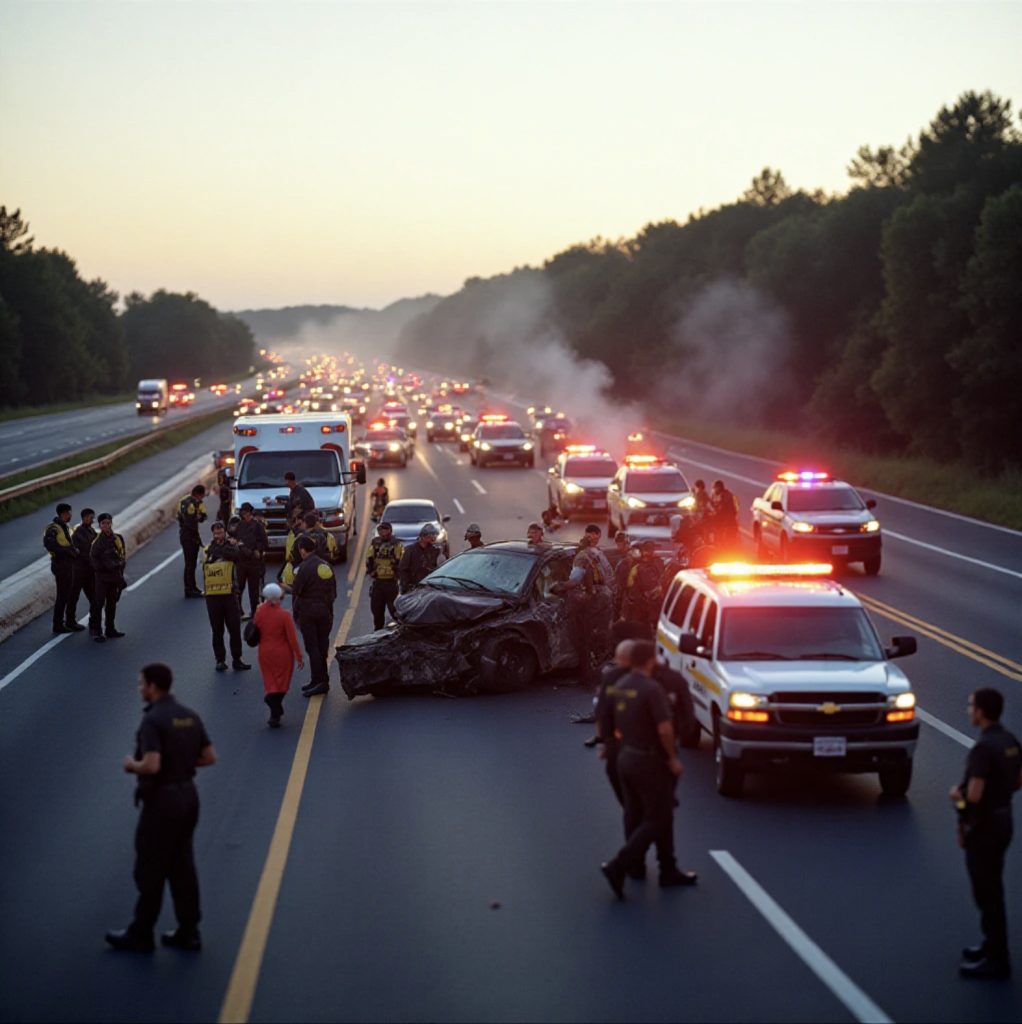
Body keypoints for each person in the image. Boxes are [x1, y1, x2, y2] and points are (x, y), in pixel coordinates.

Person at [105, 662, 216, 953]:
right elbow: (209, 757)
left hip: (162, 803)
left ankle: (141, 933)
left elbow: (152, 764)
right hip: (188, 798)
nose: (140, 688)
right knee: (183, 866)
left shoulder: (153, 720)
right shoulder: (188, 716)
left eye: (142, 683)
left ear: (154, 686)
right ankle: (189, 931)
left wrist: (132, 765)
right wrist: (180, 765)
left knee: (150, 868)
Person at [598, 641, 694, 898]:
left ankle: (652, 868)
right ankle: (621, 865)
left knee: (634, 812)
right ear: (652, 659)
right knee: (660, 816)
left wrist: (608, 744)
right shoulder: (652, 689)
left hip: (625, 757)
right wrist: (673, 758)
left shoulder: (620, 686)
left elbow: (607, 718)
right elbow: (665, 728)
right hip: (650, 761)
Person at [951, 687, 1021, 979]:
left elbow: (975, 796)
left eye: (970, 705)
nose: (969, 710)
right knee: (993, 886)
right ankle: (990, 944)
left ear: (980, 712)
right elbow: (1018, 781)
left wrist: (958, 800)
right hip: (1004, 821)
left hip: (985, 828)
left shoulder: (983, 748)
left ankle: (997, 958)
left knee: (987, 892)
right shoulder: (1009, 741)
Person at [553, 534, 613, 688]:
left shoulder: (581, 557)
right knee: (596, 639)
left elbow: (574, 581)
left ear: (581, 545)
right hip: (604, 597)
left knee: (584, 640)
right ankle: (594, 674)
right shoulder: (595, 556)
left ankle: (587, 679)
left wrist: (557, 587)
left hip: (593, 603)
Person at [251, 583, 303, 728]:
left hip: (265, 652)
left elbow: (255, 627)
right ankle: (275, 705)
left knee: (270, 680)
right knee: (282, 682)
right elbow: (292, 638)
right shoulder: (284, 615)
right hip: (282, 653)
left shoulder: (259, 613)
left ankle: (274, 710)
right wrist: (298, 656)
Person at [292, 535, 337, 697]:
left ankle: (321, 682)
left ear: (302, 550)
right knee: (322, 646)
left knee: (313, 648)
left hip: (308, 613)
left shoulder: (304, 568)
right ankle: (317, 679)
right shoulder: (326, 565)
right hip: (325, 612)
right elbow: (334, 592)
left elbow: (296, 590)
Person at [202, 521, 250, 672]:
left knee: (234, 629)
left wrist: (222, 551)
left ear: (225, 532)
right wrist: (219, 552)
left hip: (230, 595)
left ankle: (237, 659)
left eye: (220, 532)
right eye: (215, 533)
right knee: (217, 631)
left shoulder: (231, 545)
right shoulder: (208, 548)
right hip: (213, 596)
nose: (218, 535)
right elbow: (205, 561)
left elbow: (236, 555)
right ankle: (220, 660)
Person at [43, 502, 79, 634]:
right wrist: (69, 550)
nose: (70, 515)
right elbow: (50, 545)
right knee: (62, 596)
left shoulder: (63, 526)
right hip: (60, 565)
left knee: (68, 594)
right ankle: (58, 625)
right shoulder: (53, 528)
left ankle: (68, 622)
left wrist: (73, 551)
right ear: (63, 513)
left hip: (68, 565)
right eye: (69, 512)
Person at [90, 513, 126, 642]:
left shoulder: (117, 538)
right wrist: (108, 566)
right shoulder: (97, 543)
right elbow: (95, 562)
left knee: (112, 604)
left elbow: (122, 556)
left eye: (108, 523)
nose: (106, 525)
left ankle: (110, 629)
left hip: (114, 577)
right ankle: (96, 631)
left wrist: (120, 573)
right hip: (102, 579)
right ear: (99, 525)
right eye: (103, 523)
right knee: (98, 604)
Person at [234, 502, 269, 620]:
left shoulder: (258, 526)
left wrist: (257, 550)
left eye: (248, 513)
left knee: (254, 590)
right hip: (241, 562)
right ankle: (238, 611)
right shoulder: (240, 525)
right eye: (244, 513)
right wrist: (243, 548)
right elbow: (236, 539)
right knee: (239, 587)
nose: (246, 515)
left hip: (254, 562)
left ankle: (255, 611)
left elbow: (264, 542)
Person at [366, 521, 404, 630]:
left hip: (391, 584)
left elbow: (401, 561)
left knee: (395, 612)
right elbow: (369, 559)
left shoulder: (396, 544)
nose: (382, 532)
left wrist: (396, 573)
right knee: (377, 612)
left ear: (390, 531)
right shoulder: (375, 543)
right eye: (380, 530)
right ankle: (377, 633)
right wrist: (372, 572)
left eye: (384, 530)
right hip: (378, 584)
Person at [621, 540, 664, 628]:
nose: (646, 554)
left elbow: (629, 587)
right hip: (644, 608)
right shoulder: (655, 564)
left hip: (644, 609)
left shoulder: (638, 567)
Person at [69, 507, 98, 634]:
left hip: (89, 570)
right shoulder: (78, 533)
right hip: (79, 570)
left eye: (92, 517)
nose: (92, 519)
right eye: (90, 517)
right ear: (84, 517)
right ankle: (70, 621)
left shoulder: (91, 531)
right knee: (74, 596)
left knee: (94, 597)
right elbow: (86, 549)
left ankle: (93, 620)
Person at [177, 485, 207, 598]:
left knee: (191, 563)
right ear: (199, 494)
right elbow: (191, 523)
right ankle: (189, 589)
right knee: (190, 563)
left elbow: (203, 516)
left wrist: (199, 516)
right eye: (202, 496)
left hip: (187, 535)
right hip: (189, 536)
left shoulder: (185, 500)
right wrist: (197, 538)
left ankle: (192, 587)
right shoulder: (190, 504)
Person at [397, 524, 441, 593]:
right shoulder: (410, 550)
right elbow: (403, 570)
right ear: (424, 536)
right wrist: (407, 586)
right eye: (431, 535)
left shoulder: (435, 551)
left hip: (429, 587)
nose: (433, 538)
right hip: (413, 588)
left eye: (434, 535)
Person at [710, 479, 739, 547]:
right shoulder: (717, 495)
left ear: (719, 487)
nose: (714, 490)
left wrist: (713, 514)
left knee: (726, 542)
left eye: (714, 488)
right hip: (724, 523)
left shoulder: (726, 496)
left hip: (727, 524)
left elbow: (722, 510)